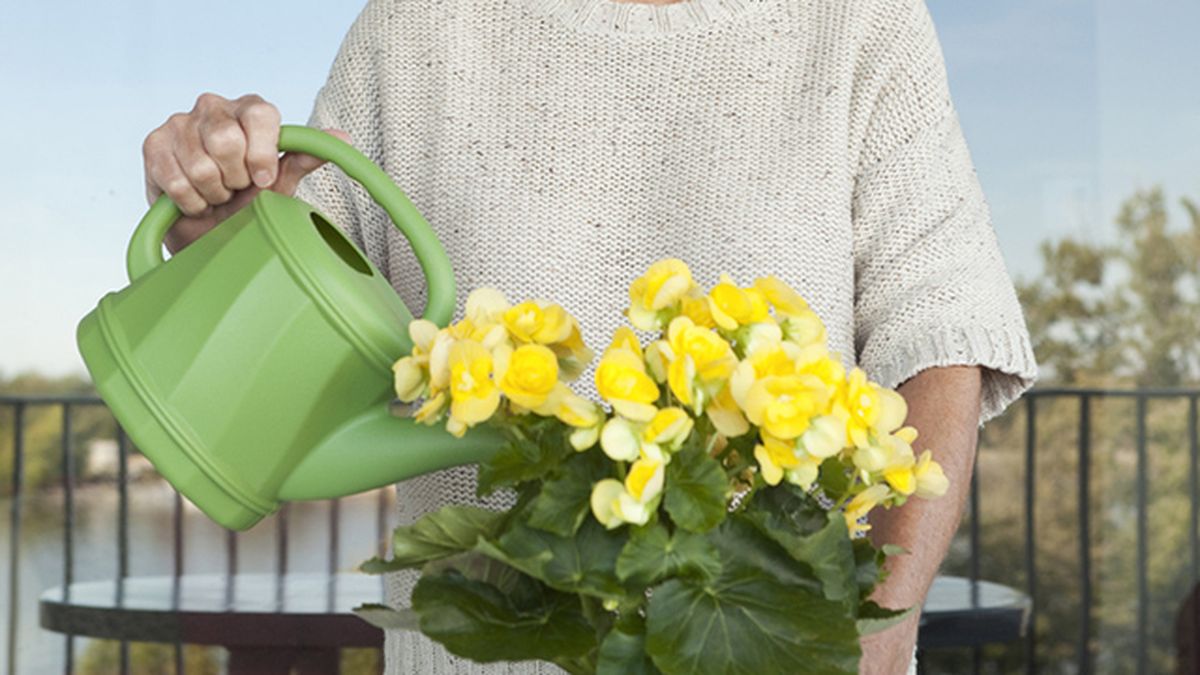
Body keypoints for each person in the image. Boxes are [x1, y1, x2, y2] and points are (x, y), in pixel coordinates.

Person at [140, 0, 1038, 671]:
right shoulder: (414, 27)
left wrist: (874, 637)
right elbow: (304, 286)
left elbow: (939, 335)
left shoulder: (859, 20)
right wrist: (222, 213)